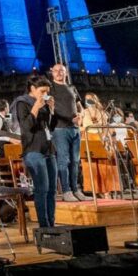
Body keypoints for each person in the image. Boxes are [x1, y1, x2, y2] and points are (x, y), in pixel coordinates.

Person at [10, 76, 57, 229]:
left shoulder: (44, 103)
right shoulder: (22, 102)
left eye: (47, 92)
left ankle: (52, 223)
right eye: (42, 91)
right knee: (41, 189)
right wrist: (36, 106)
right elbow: (26, 127)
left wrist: (51, 110)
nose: (44, 94)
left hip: (48, 148)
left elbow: (51, 127)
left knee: (52, 190)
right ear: (32, 89)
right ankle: (44, 226)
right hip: (33, 150)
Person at [47, 63, 84, 200]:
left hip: (75, 129)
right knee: (64, 160)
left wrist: (80, 115)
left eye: (61, 71)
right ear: (52, 72)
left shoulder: (72, 88)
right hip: (60, 128)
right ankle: (66, 191)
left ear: (66, 73)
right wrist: (70, 119)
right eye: (56, 71)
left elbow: (80, 106)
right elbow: (51, 109)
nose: (59, 73)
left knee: (75, 161)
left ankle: (75, 189)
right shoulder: (50, 89)